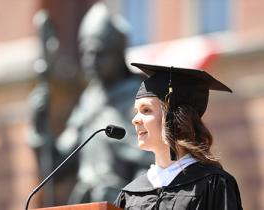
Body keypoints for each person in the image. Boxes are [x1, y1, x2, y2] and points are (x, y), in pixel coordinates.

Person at [56, 2, 153, 204]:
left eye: (99, 53)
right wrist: (39, 130)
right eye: (85, 53)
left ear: (118, 54)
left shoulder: (141, 97)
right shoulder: (87, 101)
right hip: (85, 202)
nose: (90, 60)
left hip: (124, 200)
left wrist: (135, 199)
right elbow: (59, 165)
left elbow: (152, 159)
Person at [114, 63, 243, 210]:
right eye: (136, 111)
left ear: (173, 117)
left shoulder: (212, 184)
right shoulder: (131, 194)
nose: (135, 119)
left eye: (146, 110)